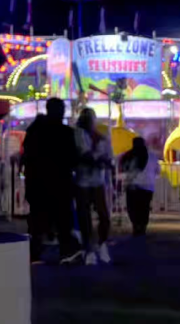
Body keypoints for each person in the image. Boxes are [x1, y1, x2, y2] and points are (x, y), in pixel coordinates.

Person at [22, 100, 81, 264]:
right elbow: (72, 158)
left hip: (38, 184)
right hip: (59, 184)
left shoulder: (35, 131)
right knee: (62, 221)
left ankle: (35, 253)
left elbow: (27, 156)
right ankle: (65, 252)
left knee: (38, 222)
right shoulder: (65, 133)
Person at [74, 108, 114, 264]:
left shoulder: (101, 138)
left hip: (97, 181)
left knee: (104, 215)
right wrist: (100, 159)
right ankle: (88, 248)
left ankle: (100, 244)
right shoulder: (78, 134)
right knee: (85, 217)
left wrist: (102, 160)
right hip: (83, 180)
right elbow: (84, 155)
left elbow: (108, 158)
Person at [119, 136, 159, 236]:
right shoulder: (152, 156)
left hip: (133, 185)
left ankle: (136, 225)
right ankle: (142, 227)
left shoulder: (128, 155)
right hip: (148, 186)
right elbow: (157, 171)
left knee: (132, 207)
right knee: (144, 208)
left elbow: (123, 168)